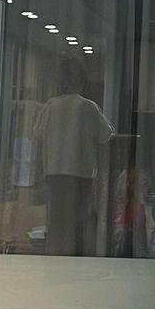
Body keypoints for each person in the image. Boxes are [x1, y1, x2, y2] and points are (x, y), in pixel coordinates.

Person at [37, 61, 112, 255]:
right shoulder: (88, 107)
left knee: (57, 222)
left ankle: (54, 257)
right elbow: (106, 134)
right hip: (81, 173)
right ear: (82, 82)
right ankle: (74, 258)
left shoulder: (51, 105)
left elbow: (37, 132)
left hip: (55, 172)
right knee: (78, 221)